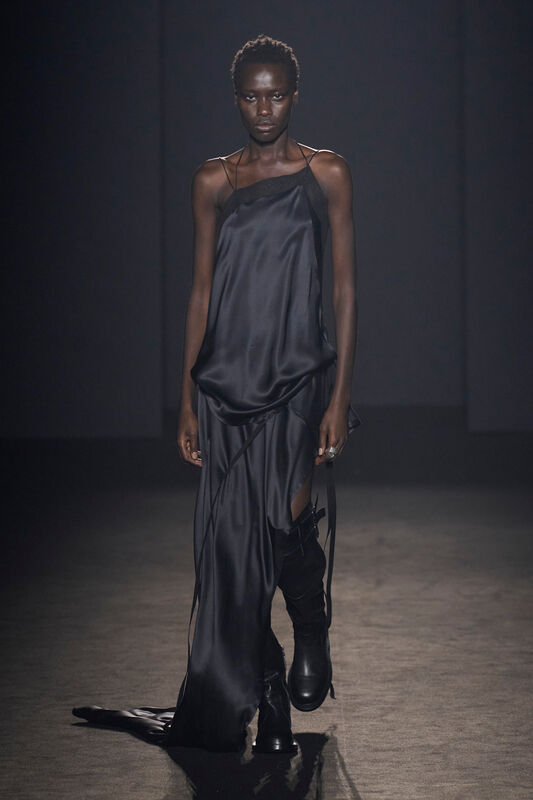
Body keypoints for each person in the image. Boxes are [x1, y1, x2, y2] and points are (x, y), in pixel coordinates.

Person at [72, 33, 361, 755]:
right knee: (233, 552)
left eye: (276, 94)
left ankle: (311, 628)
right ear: (236, 99)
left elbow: (345, 288)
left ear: (294, 96)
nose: (264, 109)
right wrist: (186, 399)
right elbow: (200, 293)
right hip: (226, 384)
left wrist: (338, 397)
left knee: (282, 525)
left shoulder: (326, 173)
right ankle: (269, 699)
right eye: (251, 96)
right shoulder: (212, 181)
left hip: (298, 379)